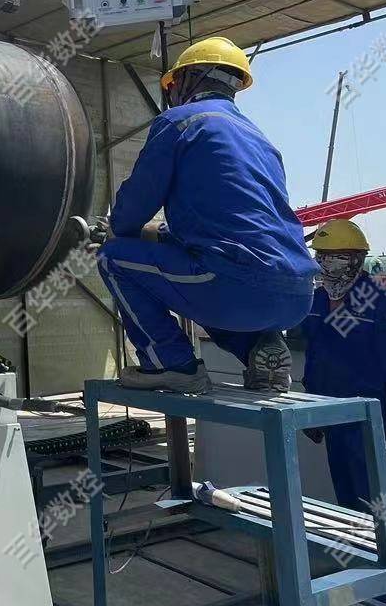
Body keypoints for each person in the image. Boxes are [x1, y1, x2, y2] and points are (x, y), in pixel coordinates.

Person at [97, 36, 319, 394]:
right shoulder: (259, 138)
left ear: (190, 78)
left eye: (173, 84)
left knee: (114, 259)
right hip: (296, 295)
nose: (172, 93)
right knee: (206, 272)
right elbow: (236, 224)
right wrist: (161, 234)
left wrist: (116, 228)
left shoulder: (180, 122)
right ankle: (257, 349)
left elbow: (133, 209)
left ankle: (170, 364)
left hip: (234, 289)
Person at [300, 218, 386, 606]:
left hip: (375, 422)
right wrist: (313, 408)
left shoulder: (381, 301)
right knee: (350, 505)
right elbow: (318, 358)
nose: (329, 264)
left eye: (338, 257)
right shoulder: (316, 301)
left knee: (383, 508)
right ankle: (365, 583)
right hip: (335, 417)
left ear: (357, 259)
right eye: (323, 257)